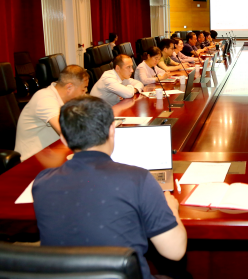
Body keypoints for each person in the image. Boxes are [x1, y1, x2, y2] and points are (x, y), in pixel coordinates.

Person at [33, 96, 187, 279]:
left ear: (64, 140)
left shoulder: (42, 182)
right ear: (112, 129)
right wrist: (172, 209)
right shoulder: (138, 178)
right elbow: (175, 251)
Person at [15, 65, 89, 161]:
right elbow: (67, 133)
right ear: (69, 87)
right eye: (83, 89)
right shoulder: (45, 99)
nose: (85, 93)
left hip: (53, 154)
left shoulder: (67, 100)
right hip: (32, 161)